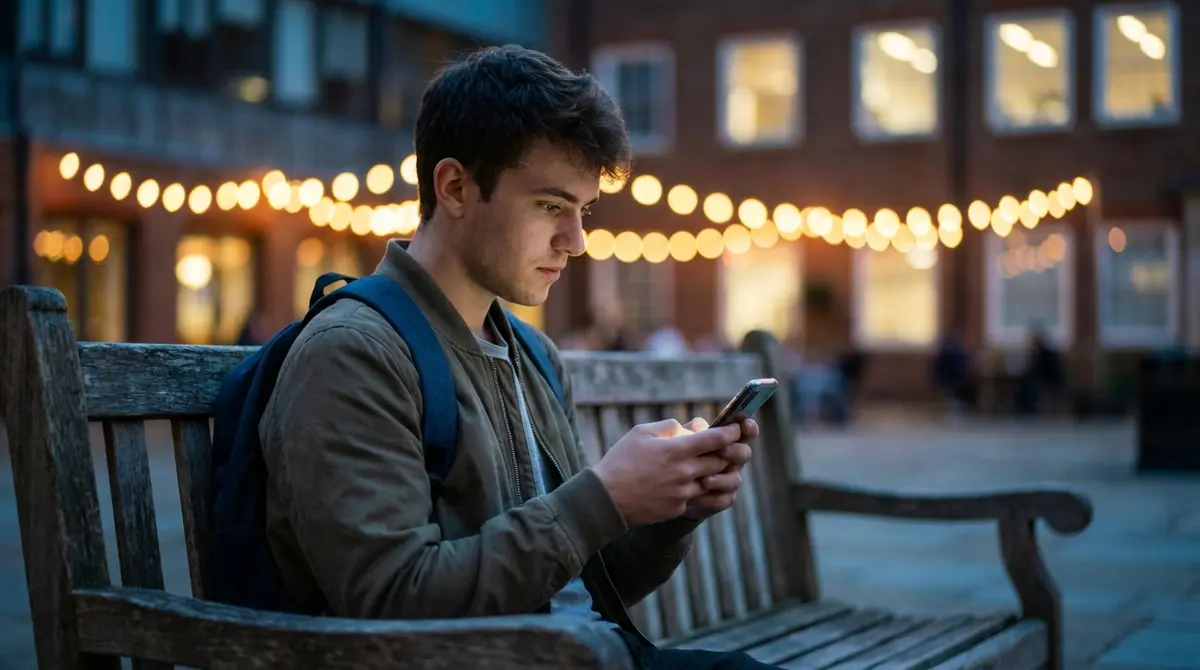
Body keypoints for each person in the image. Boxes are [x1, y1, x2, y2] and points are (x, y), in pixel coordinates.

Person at [258, 45, 777, 669]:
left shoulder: (531, 353)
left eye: (582, 211)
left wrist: (669, 509)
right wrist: (604, 499)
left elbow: (574, 584)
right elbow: (390, 601)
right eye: (551, 206)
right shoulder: (353, 353)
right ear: (454, 186)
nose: (577, 240)